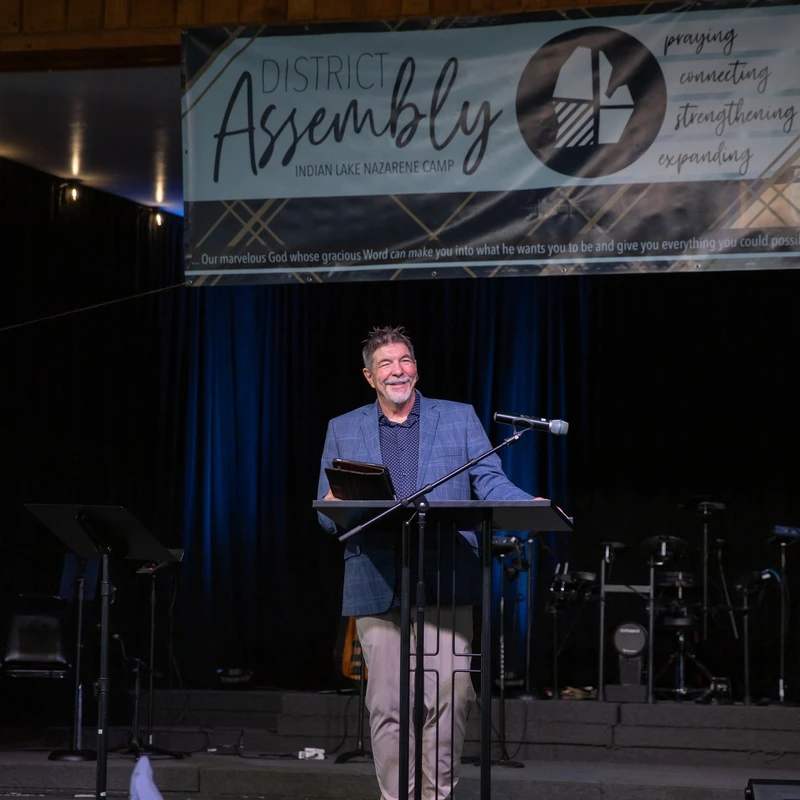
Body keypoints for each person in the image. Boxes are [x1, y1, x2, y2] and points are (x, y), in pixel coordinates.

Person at [317, 325, 533, 800]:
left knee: (452, 698)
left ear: (416, 367)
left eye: (405, 360)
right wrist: (335, 504)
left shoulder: (457, 418)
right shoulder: (344, 427)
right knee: (388, 704)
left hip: (447, 573)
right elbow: (326, 513)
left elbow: (490, 482)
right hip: (378, 577)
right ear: (370, 377)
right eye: (386, 364)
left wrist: (529, 503)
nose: (398, 371)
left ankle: (436, 796)